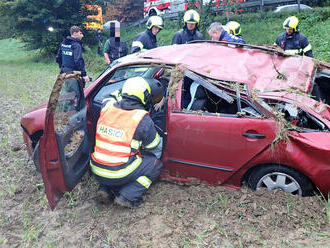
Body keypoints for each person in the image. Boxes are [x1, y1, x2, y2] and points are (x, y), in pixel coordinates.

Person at [90, 76, 164, 208]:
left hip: (97, 169)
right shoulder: (142, 119)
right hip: (119, 172)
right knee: (154, 165)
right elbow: (154, 146)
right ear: (145, 97)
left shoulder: (107, 106)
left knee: (113, 159)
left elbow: (110, 95)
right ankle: (127, 196)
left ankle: (105, 189)